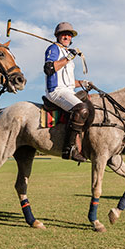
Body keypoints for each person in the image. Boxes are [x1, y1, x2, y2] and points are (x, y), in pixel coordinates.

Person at [43, 22, 93, 162]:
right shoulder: (53, 49)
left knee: (90, 106)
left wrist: (82, 83)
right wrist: (68, 58)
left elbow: (68, 82)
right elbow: (49, 69)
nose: (66, 37)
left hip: (68, 91)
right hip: (56, 91)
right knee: (81, 109)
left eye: (69, 35)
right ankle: (69, 148)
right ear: (58, 36)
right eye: (63, 34)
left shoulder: (67, 53)